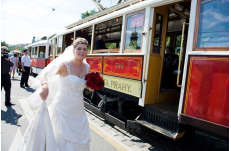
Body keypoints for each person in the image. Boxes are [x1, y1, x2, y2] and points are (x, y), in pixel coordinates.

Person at [18, 38, 94, 151]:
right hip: (63, 108)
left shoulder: (87, 67)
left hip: (78, 109)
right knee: (60, 139)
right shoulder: (65, 65)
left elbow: (85, 86)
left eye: (84, 49)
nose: (82, 51)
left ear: (87, 52)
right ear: (73, 51)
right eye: (79, 49)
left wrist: (90, 88)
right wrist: (45, 86)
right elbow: (44, 74)